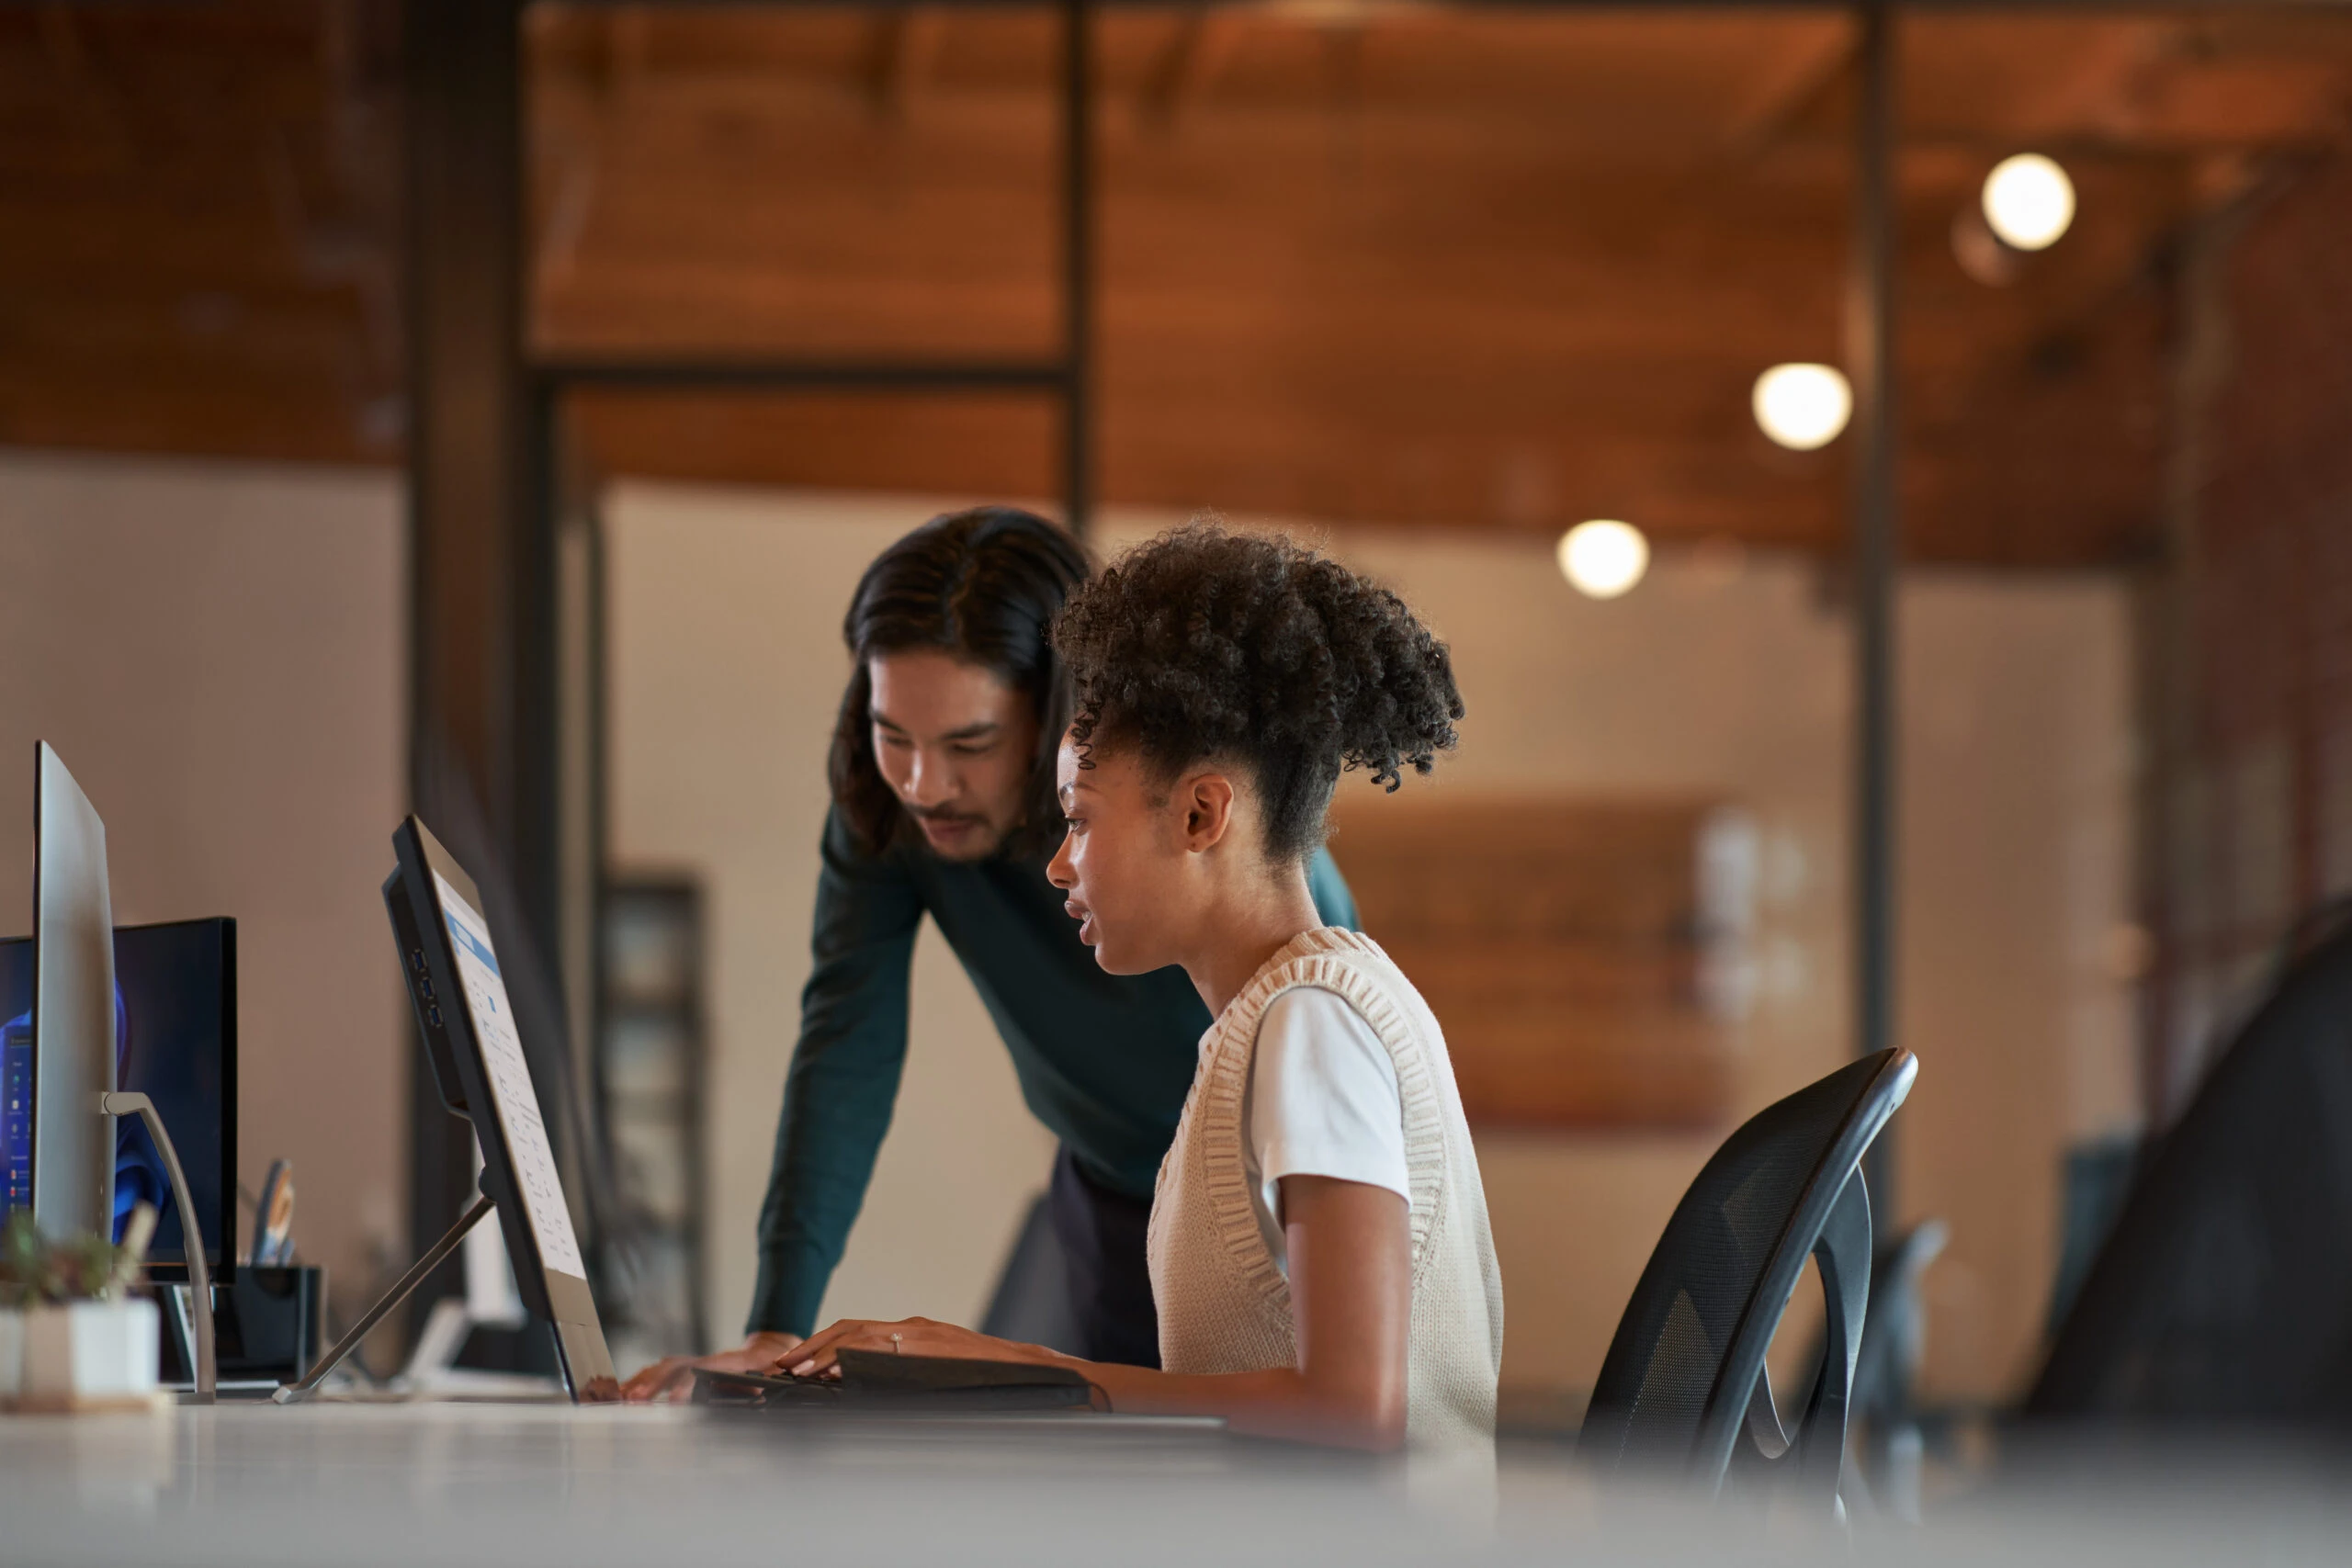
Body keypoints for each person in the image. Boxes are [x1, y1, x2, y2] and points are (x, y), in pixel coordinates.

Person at [777, 523, 1505, 1451]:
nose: (1053, 866)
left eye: (1077, 820)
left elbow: (1353, 1414)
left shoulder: (1312, 1025)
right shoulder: (1269, 1025)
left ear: (1202, 813)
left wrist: (1032, 1370)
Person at [621, 507, 1357, 1401]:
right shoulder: (886, 813)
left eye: (970, 744)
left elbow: (1351, 1399)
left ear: (1063, 716)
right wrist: (775, 1325)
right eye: (893, 735)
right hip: (1104, 1189)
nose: (926, 785)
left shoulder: (1222, 871)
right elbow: (844, 1043)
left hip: (1259, 1202)